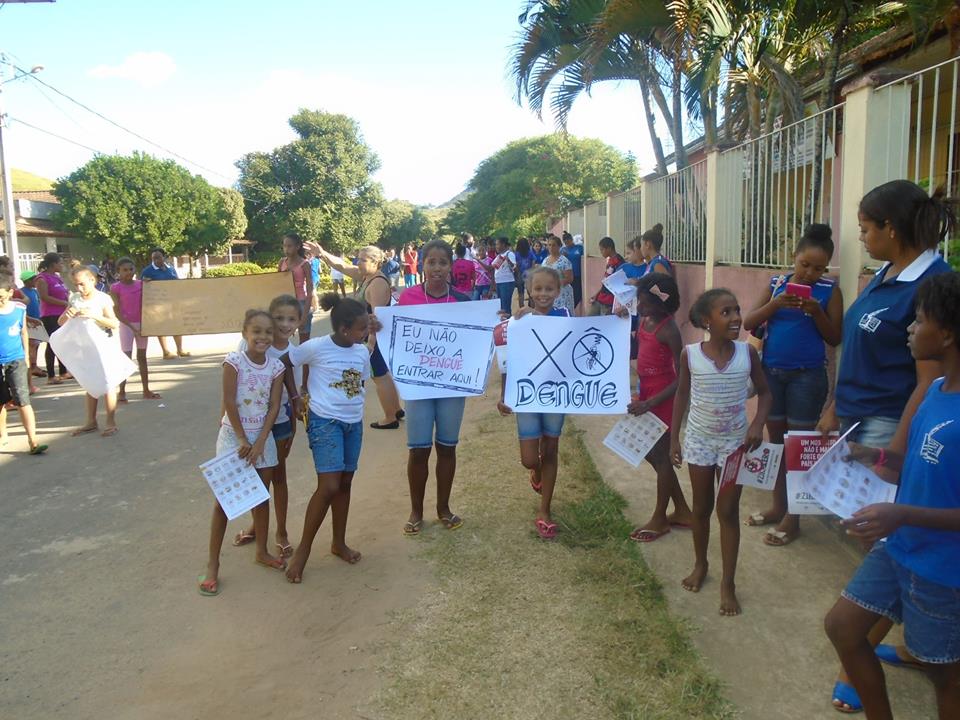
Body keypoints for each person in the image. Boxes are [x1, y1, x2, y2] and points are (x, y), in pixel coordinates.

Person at [817, 181, 956, 713]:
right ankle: (906, 643)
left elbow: (928, 382)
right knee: (880, 548)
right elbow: (856, 348)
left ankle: (863, 653)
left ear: (891, 228)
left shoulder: (932, 286)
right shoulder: (886, 274)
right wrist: (836, 404)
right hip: (861, 419)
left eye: (867, 228)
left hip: (894, 427)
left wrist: (893, 449)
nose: (863, 237)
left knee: (882, 542)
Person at [670, 288, 771, 616]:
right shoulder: (691, 355)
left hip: (734, 444)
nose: (736, 317)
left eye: (736, 310)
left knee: (727, 511)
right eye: (725, 312)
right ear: (705, 321)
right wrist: (675, 438)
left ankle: (728, 582)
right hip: (700, 441)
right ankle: (701, 564)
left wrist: (757, 425)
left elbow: (766, 393)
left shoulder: (747, 354)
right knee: (701, 509)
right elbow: (682, 395)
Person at [742, 224, 842, 546]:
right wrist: (777, 304)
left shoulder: (829, 290)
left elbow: (835, 337)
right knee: (776, 444)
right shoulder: (776, 284)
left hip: (807, 377)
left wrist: (816, 312)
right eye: (805, 265)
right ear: (794, 257)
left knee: (798, 447)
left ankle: (793, 518)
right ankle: (778, 506)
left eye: (818, 268)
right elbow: (749, 321)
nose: (810, 273)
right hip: (771, 374)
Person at [198, 309, 287, 596]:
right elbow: (229, 400)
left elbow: (274, 407)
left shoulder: (276, 367)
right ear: (245, 334)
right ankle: (213, 564)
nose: (263, 337)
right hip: (233, 438)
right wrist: (240, 438)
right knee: (222, 502)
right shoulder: (234, 361)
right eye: (257, 331)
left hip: (262, 439)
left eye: (268, 332)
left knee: (261, 497)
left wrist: (260, 441)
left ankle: (261, 551)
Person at [282, 293, 370, 583]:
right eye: (362, 329)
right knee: (329, 484)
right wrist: (295, 395)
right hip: (324, 422)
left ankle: (338, 543)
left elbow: (360, 384)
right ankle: (303, 552)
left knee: (345, 482)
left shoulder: (360, 351)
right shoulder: (316, 347)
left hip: (353, 425)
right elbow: (285, 361)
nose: (366, 333)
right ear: (344, 329)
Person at [397, 239, 473, 535]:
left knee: (446, 447)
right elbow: (397, 334)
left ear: (451, 266)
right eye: (432, 261)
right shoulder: (408, 297)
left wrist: (503, 323)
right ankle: (416, 510)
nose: (437, 267)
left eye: (443, 262)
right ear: (422, 265)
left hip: (451, 387)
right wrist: (380, 326)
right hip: (418, 386)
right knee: (418, 450)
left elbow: (477, 339)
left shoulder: (463, 301)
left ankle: (444, 507)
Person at [496, 266, 571, 539]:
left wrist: (619, 319)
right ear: (529, 290)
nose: (543, 294)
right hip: (527, 397)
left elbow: (587, 338)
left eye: (549, 289)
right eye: (538, 289)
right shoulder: (519, 320)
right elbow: (507, 360)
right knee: (530, 459)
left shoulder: (565, 316)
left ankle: (545, 510)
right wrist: (504, 395)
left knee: (550, 449)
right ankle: (536, 472)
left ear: (558, 291)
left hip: (556, 396)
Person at [232, 295, 304, 558]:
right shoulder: (252, 343)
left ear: (299, 321)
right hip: (251, 421)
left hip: (280, 421)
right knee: (255, 477)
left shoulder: (294, 352)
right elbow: (234, 384)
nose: (285, 325)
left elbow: (292, 394)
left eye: (291, 319)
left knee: (278, 476)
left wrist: (295, 424)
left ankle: (281, 531)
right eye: (279, 318)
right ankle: (256, 524)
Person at [309, 243, 403, 430]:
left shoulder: (376, 283)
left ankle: (390, 417)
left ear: (375, 262)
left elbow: (376, 316)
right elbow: (341, 266)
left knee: (379, 376)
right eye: (358, 258)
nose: (358, 262)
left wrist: (370, 344)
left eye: (362, 259)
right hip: (371, 338)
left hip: (373, 338)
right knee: (383, 374)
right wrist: (322, 253)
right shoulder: (367, 277)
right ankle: (396, 410)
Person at [627, 273, 692, 541]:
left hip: (664, 400)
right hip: (646, 394)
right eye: (638, 302)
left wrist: (651, 402)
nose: (638, 307)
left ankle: (659, 518)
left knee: (661, 456)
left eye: (643, 303)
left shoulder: (669, 330)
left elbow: (682, 379)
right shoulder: (646, 320)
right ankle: (683, 511)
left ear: (660, 304)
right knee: (653, 455)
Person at [59, 265, 122, 438]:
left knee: (109, 383)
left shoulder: (103, 299)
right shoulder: (75, 299)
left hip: (103, 344)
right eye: (76, 285)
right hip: (85, 347)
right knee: (90, 383)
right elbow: (60, 322)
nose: (79, 288)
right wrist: (68, 314)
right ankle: (91, 421)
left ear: (92, 280)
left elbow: (114, 323)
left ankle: (110, 421)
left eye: (82, 284)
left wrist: (94, 316)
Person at [0, 272, 46, 454]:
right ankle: (3, 435)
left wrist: (27, 356)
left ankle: (32, 440)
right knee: (1, 401)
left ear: (10, 292)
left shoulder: (19, 308)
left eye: (2, 297)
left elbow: (23, 332)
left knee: (22, 400)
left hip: (16, 359)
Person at [110, 258, 161, 402]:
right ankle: (121, 392)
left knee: (142, 357)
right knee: (126, 358)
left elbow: (151, 301)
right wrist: (132, 327)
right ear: (118, 271)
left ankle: (146, 389)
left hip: (143, 324)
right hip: (126, 325)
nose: (128, 272)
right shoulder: (116, 288)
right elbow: (117, 312)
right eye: (124, 270)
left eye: (131, 269)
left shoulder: (142, 285)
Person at [141, 248, 189, 360]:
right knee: (161, 327)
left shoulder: (171, 269)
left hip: (173, 302)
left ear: (164, 257)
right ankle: (166, 351)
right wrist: (145, 282)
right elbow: (142, 285)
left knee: (176, 325)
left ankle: (180, 349)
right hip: (158, 304)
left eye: (158, 257)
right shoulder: (147, 271)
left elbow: (176, 282)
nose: (156, 260)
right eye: (153, 258)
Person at [36, 252, 71, 384]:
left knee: (62, 343)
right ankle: (51, 375)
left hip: (62, 314)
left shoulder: (57, 277)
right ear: (53, 264)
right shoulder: (42, 278)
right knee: (52, 343)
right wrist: (64, 303)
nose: (62, 265)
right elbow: (44, 297)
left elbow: (64, 292)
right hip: (50, 315)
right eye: (60, 263)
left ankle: (63, 371)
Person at [278, 232, 314, 343]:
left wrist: (304, 315)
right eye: (284, 246)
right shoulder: (282, 262)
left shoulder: (305, 264)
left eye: (289, 246)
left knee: (304, 341)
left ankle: (304, 360)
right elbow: (276, 285)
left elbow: (309, 290)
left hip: (301, 303)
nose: (286, 249)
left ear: (298, 247)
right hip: (285, 303)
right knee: (282, 339)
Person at [18, 270, 45, 379]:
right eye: (33, 279)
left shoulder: (34, 291)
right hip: (28, 322)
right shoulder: (22, 292)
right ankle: (32, 366)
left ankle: (35, 365)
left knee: (37, 344)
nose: (35, 281)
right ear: (27, 281)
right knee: (31, 345)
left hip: (37, 320)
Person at [588, 236, 625, 316]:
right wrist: (597, 294)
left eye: (602, 249)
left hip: (609, 301)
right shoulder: (610, 261)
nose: (601, 252)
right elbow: (606, 281)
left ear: (609, 248)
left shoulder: (619, 262)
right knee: (589, 318)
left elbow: (618, 283)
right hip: (601, 297)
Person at [542, 234, 575, 315]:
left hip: (562, 294)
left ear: (559, 246)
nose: (551, 247)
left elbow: (569, 279)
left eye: (554, 245)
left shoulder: (564, 261)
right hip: (549, 294)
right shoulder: (545, 261)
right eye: (549, 245)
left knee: (563, 315)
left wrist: (555, 284)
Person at [561, 231, 584, 312]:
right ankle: (568, 310)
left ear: (571, 240)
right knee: (568, 294)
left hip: (578, 276)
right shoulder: (562, 250)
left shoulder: (579, 248)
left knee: (578, 295)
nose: (567, 243)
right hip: (567, 276)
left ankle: (570, 309)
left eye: (568, 241)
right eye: (565, 242)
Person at [514, 238, 537, 308]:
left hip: (520, 274)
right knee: (531, 293)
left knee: (520, 294)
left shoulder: (516, 254)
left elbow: (516, 265)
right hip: (529, 274)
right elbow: (533, 263)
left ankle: (522, 309)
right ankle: (532, 310)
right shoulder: (530, 253)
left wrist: (517, 274)